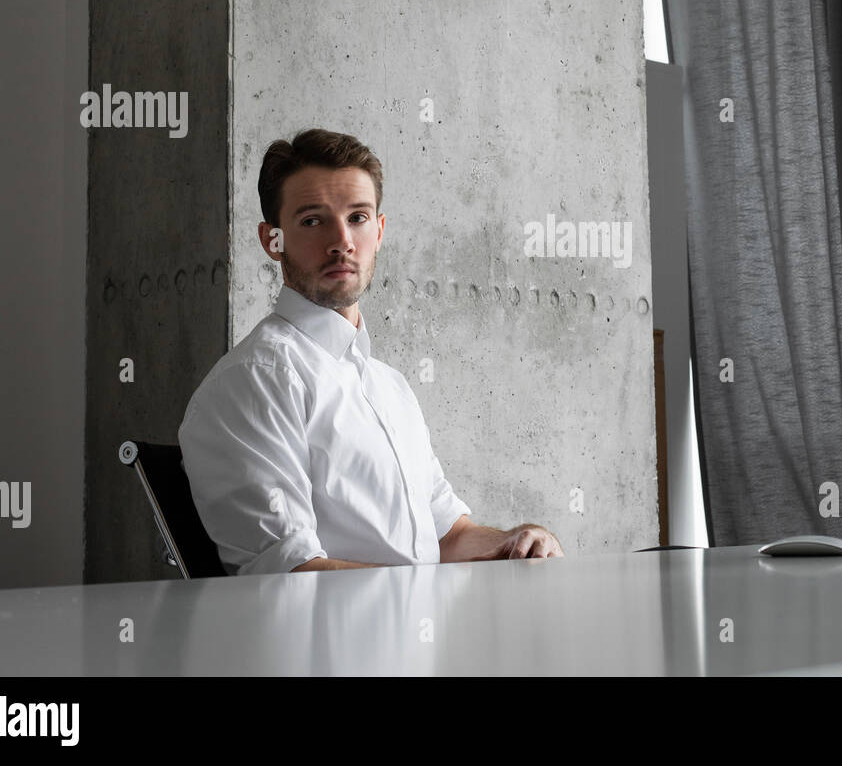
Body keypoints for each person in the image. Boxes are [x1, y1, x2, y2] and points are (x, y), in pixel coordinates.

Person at [178, 128, 564, 574]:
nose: (341, 240)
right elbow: (291, 573)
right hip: (332, 643)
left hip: (418, 634)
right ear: (272, 241)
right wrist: (430, 597)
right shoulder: (255, 380)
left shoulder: (389, 387)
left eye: (357, 218)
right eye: (312, 220)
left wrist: (520, 540)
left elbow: (449, 534)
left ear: (379, 231)